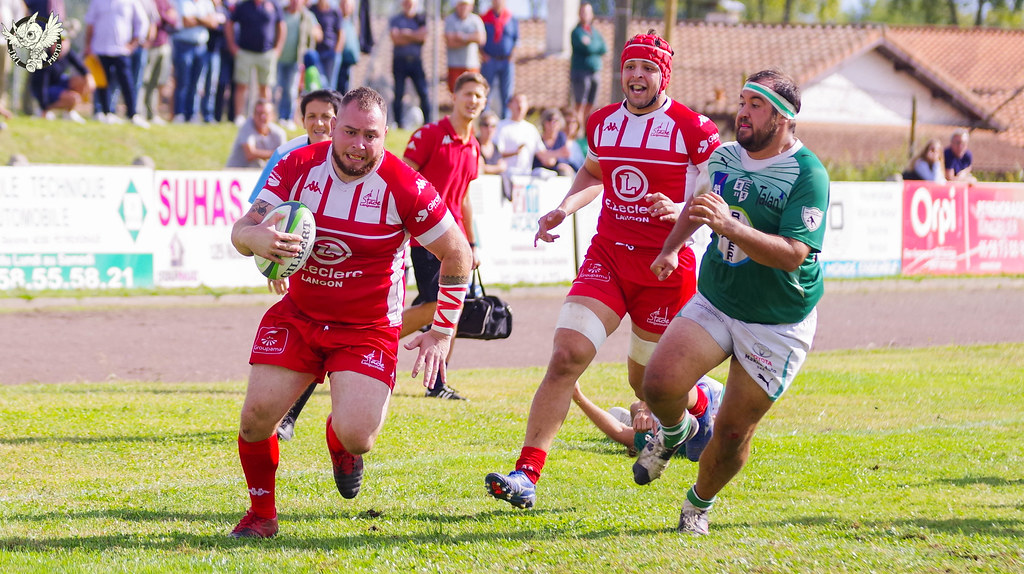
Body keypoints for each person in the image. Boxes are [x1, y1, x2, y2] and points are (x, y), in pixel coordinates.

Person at [484, 31, 723, 510]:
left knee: (649, 385)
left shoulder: (692, 127)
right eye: (631, 68)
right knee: (566, 356)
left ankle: (700, 406)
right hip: (609, 257)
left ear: (664, 76)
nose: (637, 76)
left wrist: (676, 207)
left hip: (667, 267)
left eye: (648, 69)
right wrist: (563, 208)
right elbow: (595, 173)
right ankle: (526, 475)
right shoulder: (602, 122)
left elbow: (716, 194)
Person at [227, 86, 473, 538]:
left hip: (368, 328)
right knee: (256, 418)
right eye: (350, 131)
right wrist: (255, 239)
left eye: (371, 136)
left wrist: (441, 331)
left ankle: (341, 444)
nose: (358, 145)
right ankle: (261, 516)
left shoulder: (405, 186)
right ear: (333, 126)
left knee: (360, 434)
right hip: (300, 314)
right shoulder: (296, 164)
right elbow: (243, 229)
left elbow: (457, 253)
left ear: (385, 137)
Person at [638, 69, 830, 536]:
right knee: (658, 384)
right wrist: (670, 248)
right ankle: (676, 429)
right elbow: (699, 204)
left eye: (756, 105)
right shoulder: (724, 156)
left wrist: (730, 227)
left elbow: (791, 256)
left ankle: (697, 505)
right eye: (743, 101)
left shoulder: (809, 174)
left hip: (777, 321)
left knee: (730, 433)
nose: (742, 112)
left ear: (783, 118)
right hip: (718, 298)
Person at [240, 88, 342, 442]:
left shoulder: (352, 154)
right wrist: (275, 260)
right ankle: (285, 415)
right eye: (312, 116)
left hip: (340, 259)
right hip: (298, 254)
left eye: (328, 115)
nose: (320, 123)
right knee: (310, 333)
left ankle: (300, 416)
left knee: (330, 335)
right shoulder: (288, 153)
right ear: (302, 120)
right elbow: (262, 210)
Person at [399, 71, 489, 400]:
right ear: (454, 96)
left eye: (479, 96)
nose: (472, 101)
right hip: (425, 239)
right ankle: (371, 342)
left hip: (458, 244)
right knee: (439, 304)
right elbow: (402, 179)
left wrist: (473, 243)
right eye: (467, 94)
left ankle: (438, 383)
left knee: (449, 305)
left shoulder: (474, 146)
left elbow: (464, 197)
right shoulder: (429, 135)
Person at [571, 381, 717, 458]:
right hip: (681, 394)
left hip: (673, 414)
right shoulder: (721, 401)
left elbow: (620, 432)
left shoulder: (683, 440)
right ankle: (637, 418)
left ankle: (636, 422)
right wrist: (644, 409)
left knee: (634, 411)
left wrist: (578, 396)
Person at [84, 0, 151, 127]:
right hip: (100, 49)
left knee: (127, 82)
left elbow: (142, 22)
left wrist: (134, 43)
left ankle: (132, 113)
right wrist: (88, 45)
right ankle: (105, 112)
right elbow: (90, 23)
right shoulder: (97, 2)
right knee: (102, 82)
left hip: (121, 50)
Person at [224, 0, 285, 124]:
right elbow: (229, 23)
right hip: (245, 52)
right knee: (242, 85)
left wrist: (278, 48)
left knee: (265, 86)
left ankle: (264, 116)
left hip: (266, 52)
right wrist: (232, 46)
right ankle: (239, 116)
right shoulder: (243, 6)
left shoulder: (274, 5)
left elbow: (281, 26)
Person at [275, 0, 321, 130]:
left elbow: (318, 33)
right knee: (275, 88)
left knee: (291, 90)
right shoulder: (281, 13)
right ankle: (275, 117)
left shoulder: (307, 16)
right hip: (278, 58)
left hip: (296, 60)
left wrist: (314, 33)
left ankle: (287, 117)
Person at [171, 0, 218, 124]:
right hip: (183, 45)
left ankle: (192, 114)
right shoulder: (182, 2)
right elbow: (186, 21)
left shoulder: (206, 2)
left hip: (201, 46)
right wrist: (203, 19)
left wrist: (196, 19)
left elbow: (213, 23)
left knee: (197, 83)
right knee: (183, 81)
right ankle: (180, 114)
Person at [30, 37, 93, 123]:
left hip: (59, 83)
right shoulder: (44, 59)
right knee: (74, 98)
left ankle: (69, 112)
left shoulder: (67, 54)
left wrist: (89, 77)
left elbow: (82, 68)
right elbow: (41, 86)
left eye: (63, 41)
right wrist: (43, 106)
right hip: (45, 90)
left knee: (82, 81)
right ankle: (44, 110)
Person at [389, 0, 430, 129]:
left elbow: (422, 36)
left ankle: (428, 123)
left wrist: (405, 34)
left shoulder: (421, 19)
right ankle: (398, 123)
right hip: (400, 61)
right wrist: (414, 35)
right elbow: (396, 38)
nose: (408, 5)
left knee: (423, 92)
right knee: (399, 92)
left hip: (416, 61)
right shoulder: (396, 19)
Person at [139, 0, 176, 124]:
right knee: (144, 81)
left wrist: (161, 15)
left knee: (157, 82)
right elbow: (151, 20)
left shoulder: (165, 2)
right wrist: (163, 16)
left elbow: (174, 21)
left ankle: (151, 113)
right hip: (148, 46)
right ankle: (139, 112)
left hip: (163, 44)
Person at [569, 1, 605, 123]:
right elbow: (589, 48)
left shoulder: (595, 32)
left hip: (594, 71)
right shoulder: (576, 32)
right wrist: (593, 46)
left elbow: (603, 48)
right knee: (580, 103)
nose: (585, 15)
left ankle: (586, 129)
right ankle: (577, 129)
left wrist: (591, 43)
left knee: (591, 104)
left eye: (588, 12)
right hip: (581, 72)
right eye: (583, 12)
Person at [480, 0, 517, 119]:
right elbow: (479, 39)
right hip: (490, 60)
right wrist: (482, 54)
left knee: (507, 93)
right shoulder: (484, 18)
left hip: (506, 61)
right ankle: (484, 121)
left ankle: (506, 119)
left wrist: (513, 54)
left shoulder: (511, 19)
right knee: (485, 91)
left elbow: (516, 39)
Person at [225, 98, 287, 168]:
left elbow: (284, 158)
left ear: (273, 116)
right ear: (253, 115)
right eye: (259, 113)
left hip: (262, 174)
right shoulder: (246, 127)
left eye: (266, 114)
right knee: (257, 164)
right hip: (236, 173)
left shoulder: (279, 133)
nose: (262, 117)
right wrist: (275, 154)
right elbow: (250, 154)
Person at [494, 93, 543, 176]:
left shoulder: (531, 129)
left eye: (523, 102)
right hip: (505, 177)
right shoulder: (500, 126)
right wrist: (515, 152)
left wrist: (558, 154)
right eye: (517, 101)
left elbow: (542, 153)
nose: (520, 105)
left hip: (526, 178)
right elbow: (495, 153)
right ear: (509, 105)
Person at [444, 0, 485, 95]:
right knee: (456, 92)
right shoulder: (450, 20)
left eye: (466, 5)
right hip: (454, 64)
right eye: (461, 5)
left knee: (472, 91)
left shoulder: (475, 20)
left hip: (471, 64)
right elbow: (450, 42)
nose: (463, 8)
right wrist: (470, 40)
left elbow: (481, 39)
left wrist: (462, 37)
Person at [532, 107, 575, 177]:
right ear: (544, 122)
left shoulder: (561, 137)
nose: (553, 123)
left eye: (556, 120)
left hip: (557, 170)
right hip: (539, 171)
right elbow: (544, 159)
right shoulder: (539, 138)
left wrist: (553, 157)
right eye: (549, 120)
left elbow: (566, 155)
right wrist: (557, 154)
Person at [334, 0, 359, 94]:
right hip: (339, 61)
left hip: (348, 62)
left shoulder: (351, 22)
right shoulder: (337, 20)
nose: (345, 7)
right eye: (343, 5)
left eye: (348, 5)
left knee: (346, 88)